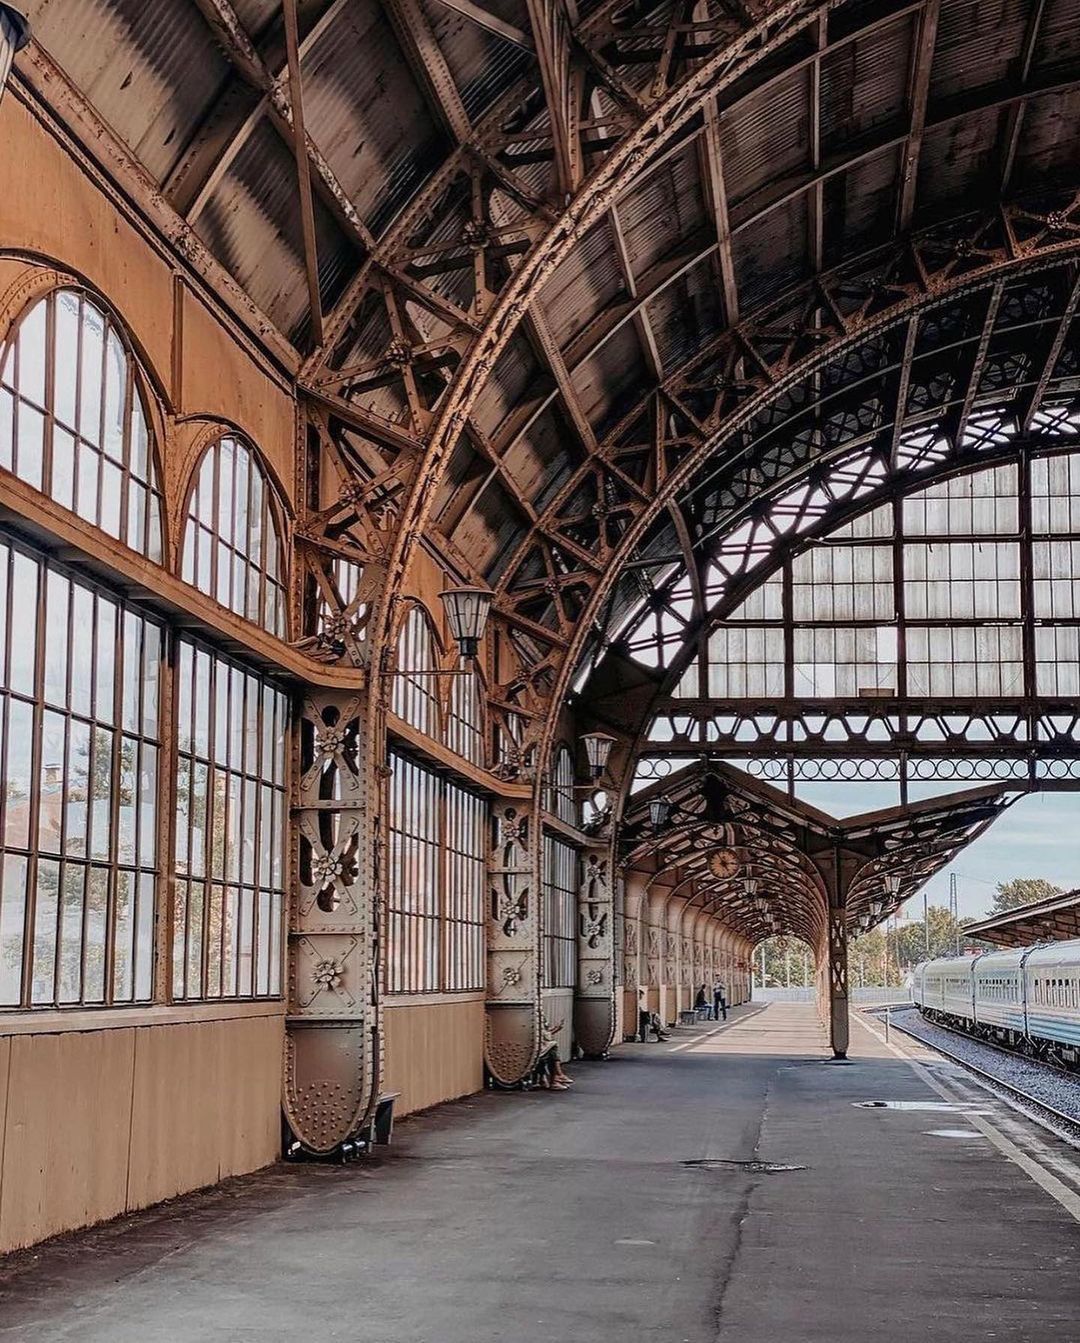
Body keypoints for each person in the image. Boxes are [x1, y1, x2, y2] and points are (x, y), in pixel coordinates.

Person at [535, 1016, 574, 1090]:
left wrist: (556, 1029)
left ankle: (555, 1078)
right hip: (536, 1049)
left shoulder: (538, 1017)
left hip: (538, 1048)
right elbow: (544, 1035)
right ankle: (557, 1077)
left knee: (551, 1051)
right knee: (552, 1050)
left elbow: (545, 1034)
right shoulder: (536, 1017)